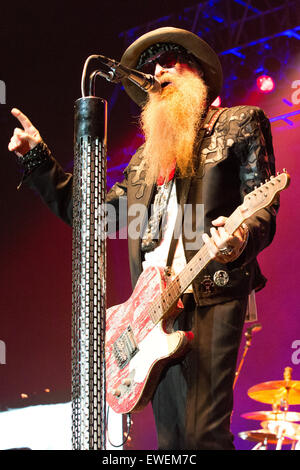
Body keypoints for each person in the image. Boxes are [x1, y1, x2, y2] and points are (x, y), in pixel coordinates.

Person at [8, 27, 278, 450]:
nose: (158, 69)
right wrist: (38, 159)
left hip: (209, 292)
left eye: (172, 59)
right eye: (153, 65)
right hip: (150, 313)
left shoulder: (238, 123)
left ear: (199, 75)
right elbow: (92, 217)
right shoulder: (143, 164)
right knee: (171, 442)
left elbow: (263, 203)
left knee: (203, 436)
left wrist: (242, 236)